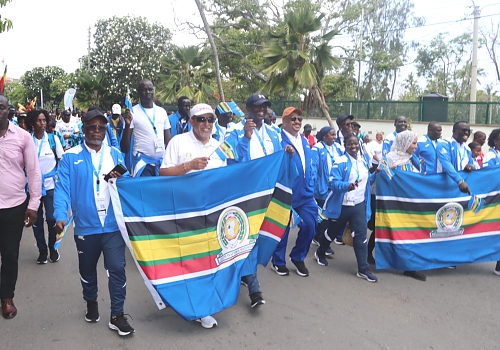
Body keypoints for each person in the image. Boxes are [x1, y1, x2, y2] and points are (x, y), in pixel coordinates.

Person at [54, 109, 134, 336]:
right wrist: (60, 216)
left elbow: (127, 186)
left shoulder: (116, 155)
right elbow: (62, 190)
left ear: (106, 130)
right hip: (86, 227)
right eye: (92, 126)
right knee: (87, 270)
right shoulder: (71, 157)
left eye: (101, 127)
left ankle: (117, 315)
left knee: (117, 268)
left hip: (111, 226)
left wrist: (122, 182)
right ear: (84, 129)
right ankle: (91, 302)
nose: (97, 131)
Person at [314, 133, 378, 282]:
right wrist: (346, 186)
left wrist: (375, 174)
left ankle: (363, 269)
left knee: (361, 236)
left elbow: (366, 181)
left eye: (356, 144)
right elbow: (333, 183)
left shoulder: (362, 161)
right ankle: (320, 252)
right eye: (350, 144)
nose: (354, 146)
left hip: (359, 205)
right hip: (342, 206)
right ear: (345, 146)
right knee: (332, 232)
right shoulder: (340, 162)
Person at [0, 94, 42, 319]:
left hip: (14, 206)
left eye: (2, 107)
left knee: (9, 254)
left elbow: (34, 172)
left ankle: (7, 297)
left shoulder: (23, 137)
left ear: (9, 111)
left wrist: (33, 205)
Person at [272, 107, 317, 277]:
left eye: (299, 119)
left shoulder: (304, 140)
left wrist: (310, 185)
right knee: (283, 229)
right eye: (293, 119)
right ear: (284, 122)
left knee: (311, 226)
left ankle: (298, 257)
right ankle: (278, 261)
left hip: (306, 194)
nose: (297, 122)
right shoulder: (278, 141)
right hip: (286, 192)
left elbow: (308, 165)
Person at [384, 130, 427, 281]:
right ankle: (367, 257)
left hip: (411, 204)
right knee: (387, 232)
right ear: (405, 143)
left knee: (409, 235)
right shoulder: (390, 158)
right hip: (396, 205)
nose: (416, 146)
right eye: (413, 143)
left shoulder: (412, 158)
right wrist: (390, 171)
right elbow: (383, 180)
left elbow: (417, 177)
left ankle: (409, 267)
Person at [25, 109, 64, 264]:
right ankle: (42, 250)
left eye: (44, 120)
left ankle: (53, 248)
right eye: (38, 121)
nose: (42, 124)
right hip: (32, 188)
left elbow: (62, 160)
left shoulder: (53, 139)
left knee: (51, 218)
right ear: (32, 123)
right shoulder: (27, 140)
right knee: (36, 221)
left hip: (50, 186)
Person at [120, 78, 172, 176]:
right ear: (139, 92)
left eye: (150, 89)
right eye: (144, 90)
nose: (148, 92)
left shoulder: (162, 112)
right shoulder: (132, 112)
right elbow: (124, 148)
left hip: (162, 163)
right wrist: (127, 125)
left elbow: (168, 141)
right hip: (143, 164)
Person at [310, 126, 343, 253]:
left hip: (335, 188)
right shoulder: (317, 149)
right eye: (332, 135)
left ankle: (320, 237)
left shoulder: (338, 148)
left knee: (332, 216)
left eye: (335, 135)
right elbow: (313, 169)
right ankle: (320, 239)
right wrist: (313, 188)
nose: (335, 137)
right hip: (322, 189)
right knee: (324, 216)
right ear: (324, 136)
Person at [226, 93, 282, 162]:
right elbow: (230, 160)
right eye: (257, 106)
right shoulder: (233, 131)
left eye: (264, 106)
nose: (262, 109)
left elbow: (279, 159)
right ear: (247, 108)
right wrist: (246, 138)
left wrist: (286, 152)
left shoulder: (273, 132)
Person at [436, 121, 474, 194]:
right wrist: (459, 181)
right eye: (463, 130)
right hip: (445, 186)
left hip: (462, 187)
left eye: (469, 131)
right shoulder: (444, 143)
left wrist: (470, 167)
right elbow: (446, 163)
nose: (467, 133)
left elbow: (472, 164)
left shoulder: (467, 148)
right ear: (454, 131)